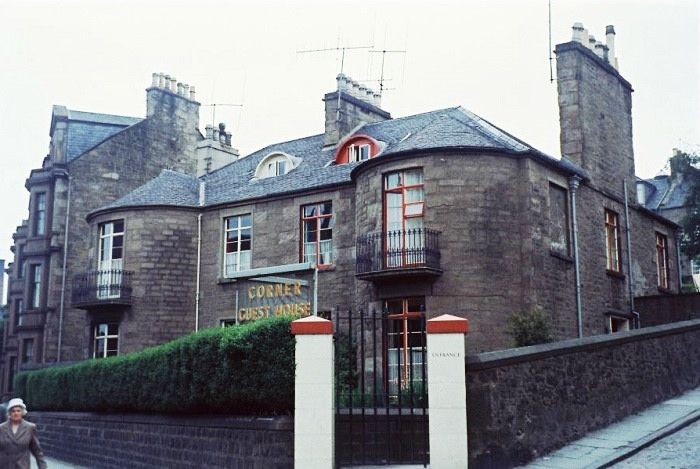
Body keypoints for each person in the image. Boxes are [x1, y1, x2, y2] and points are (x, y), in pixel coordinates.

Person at [0, 398, 47, 469]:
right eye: (13, 411)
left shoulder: (30, 427)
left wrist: (43, 467)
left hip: (22, 466)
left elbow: (37, 451)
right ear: (9, 413)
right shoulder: (1, 428)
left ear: (22, 412)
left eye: (18, 411)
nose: (16, 413)